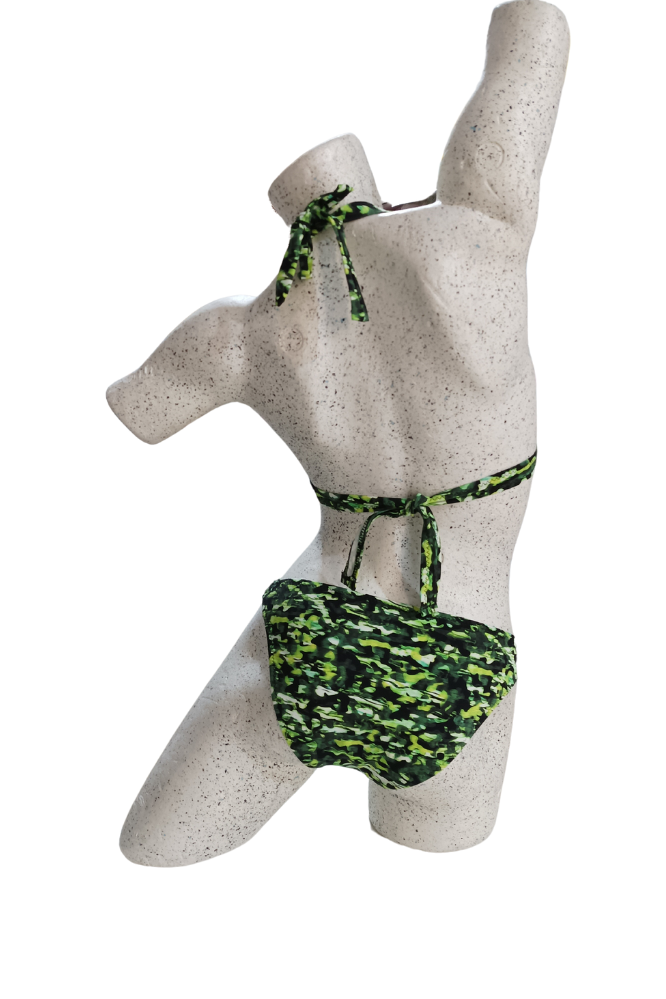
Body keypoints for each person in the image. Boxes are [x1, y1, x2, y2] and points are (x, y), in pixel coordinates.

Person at [107, 0, 569, 864]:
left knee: (153, 849)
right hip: (464, 651)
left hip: (307, 643)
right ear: (375, 185)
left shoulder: (243, 333)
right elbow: (532, 46)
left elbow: (139, 409)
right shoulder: (477, 240)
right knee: (434, 888)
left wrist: (240, 340)